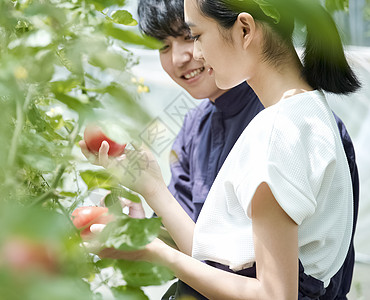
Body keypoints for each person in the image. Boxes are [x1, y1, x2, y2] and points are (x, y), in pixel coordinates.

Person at [80, 0, 361, 298]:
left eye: (195, 36)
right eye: (163, 46)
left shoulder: (276, 131)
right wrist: (153, 190)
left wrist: (162, 254)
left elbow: (275, 294)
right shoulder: (306, 112)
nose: (190, 55)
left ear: (244, 29)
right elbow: (221, 260)